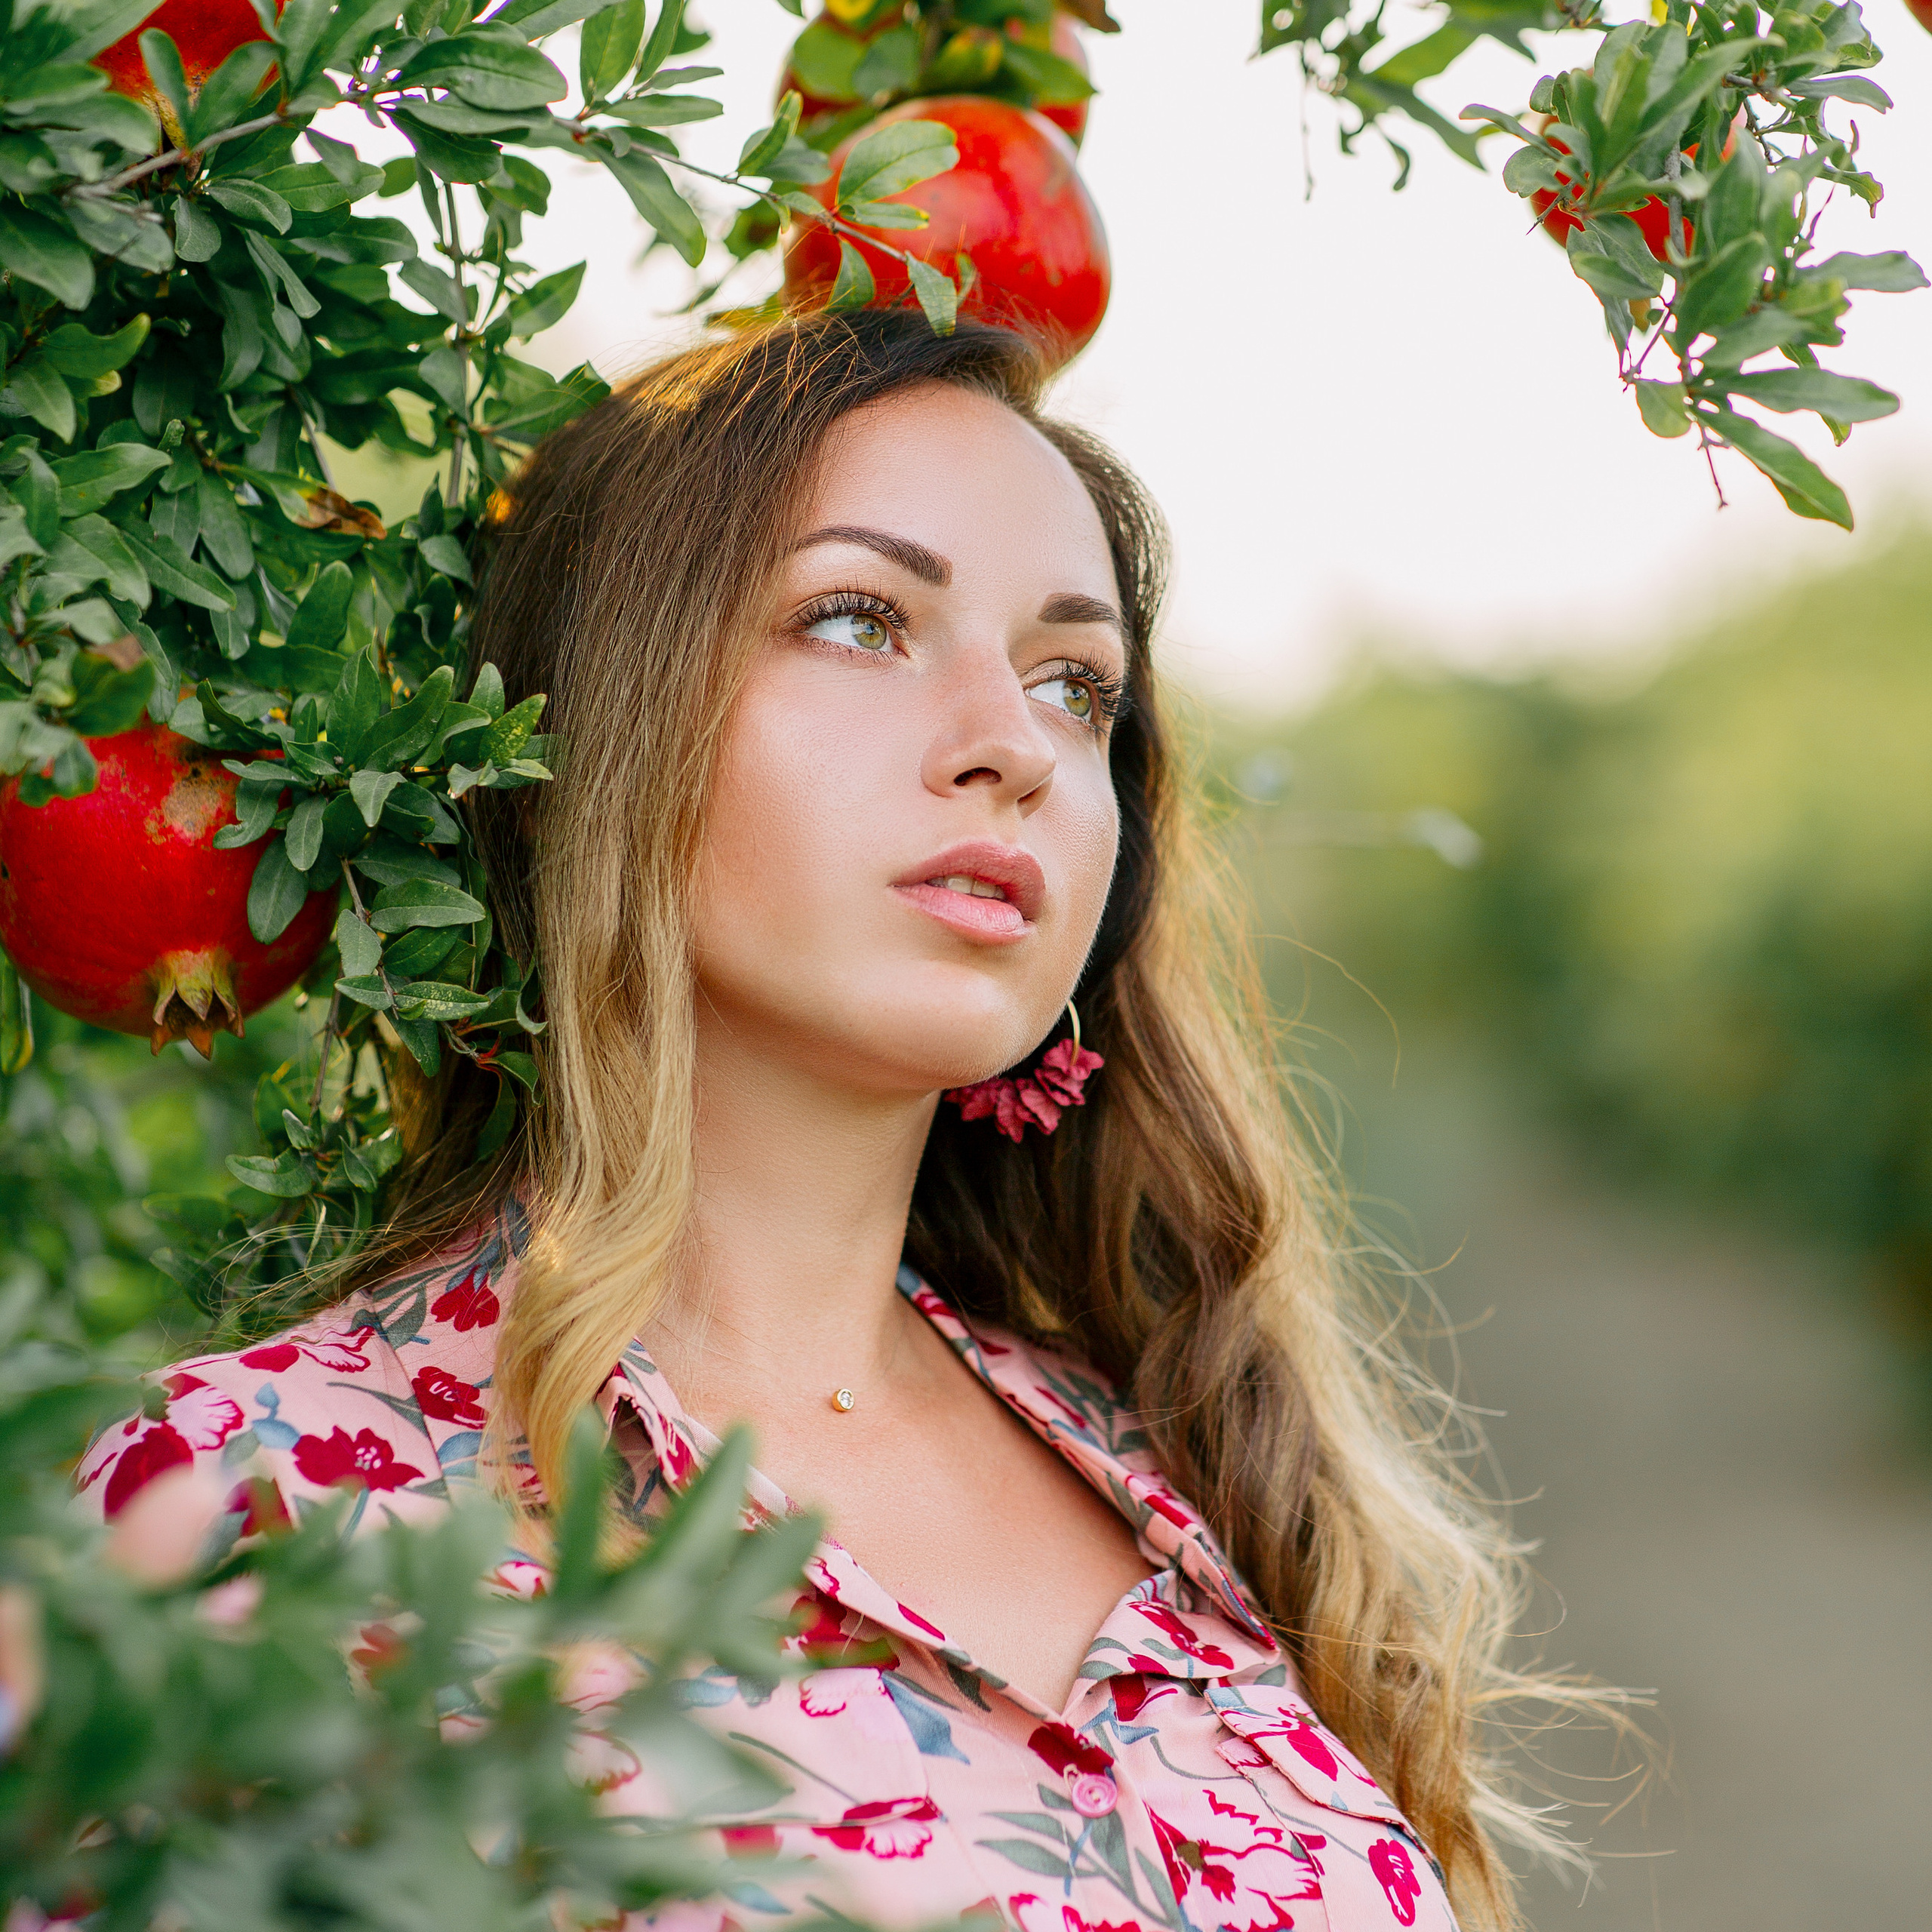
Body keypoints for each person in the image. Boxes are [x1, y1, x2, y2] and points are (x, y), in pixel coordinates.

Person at [78, 312, 1593, 1932]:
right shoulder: (251, 1510)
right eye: (860, 617)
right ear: (594, 720)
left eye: (1076, 683)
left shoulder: (1195, 1470)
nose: (1012, 743)